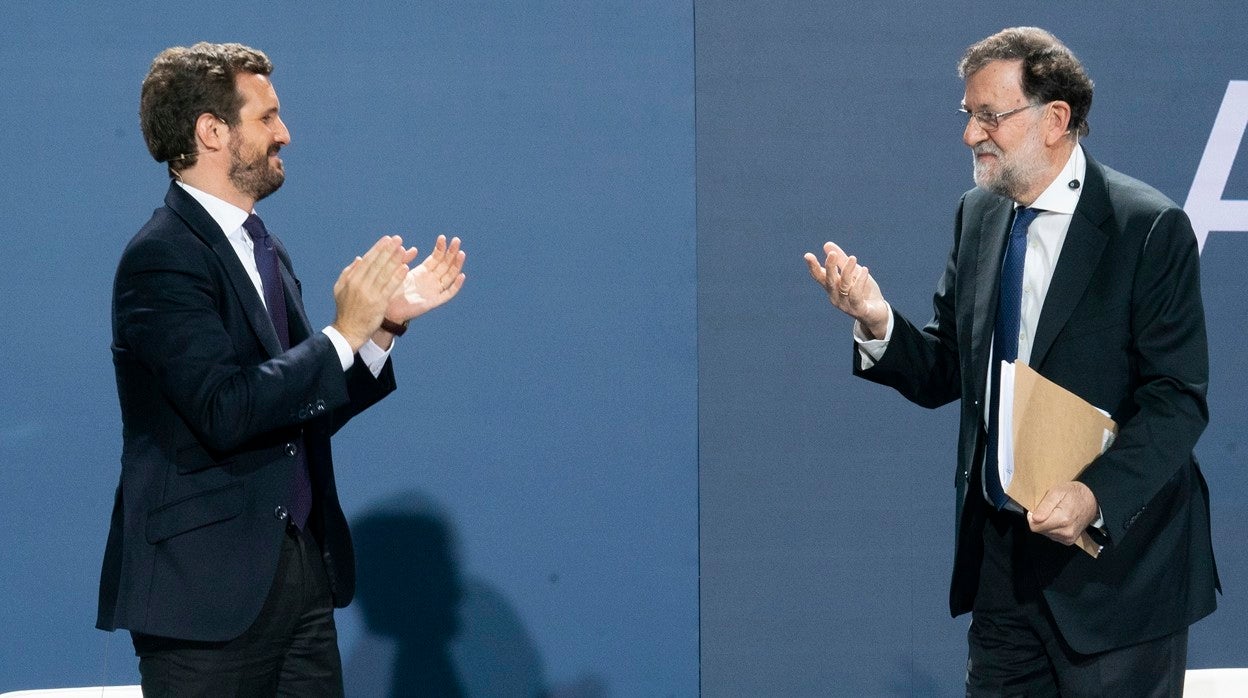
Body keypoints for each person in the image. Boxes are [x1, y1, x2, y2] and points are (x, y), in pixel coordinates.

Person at [804, 27, 1217, 695]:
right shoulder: (979, 216)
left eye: (990, 115)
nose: (972, 134)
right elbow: (951, 371)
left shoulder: (1146, 227)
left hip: (1117, 577)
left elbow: (1176, 399)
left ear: (1055, 119)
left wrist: (1093, 496)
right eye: (968, 115)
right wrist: (877, 320)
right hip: (1004, 568)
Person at [95, 42, 466, 696]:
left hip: (297, 579)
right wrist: (342, 331)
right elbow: (227, 409)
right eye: (266, 118)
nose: (284, 133)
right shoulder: (161, 259)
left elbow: (299, 405)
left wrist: (379, 328)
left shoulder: (265, 249)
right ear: (213, 131)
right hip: (203, 594)